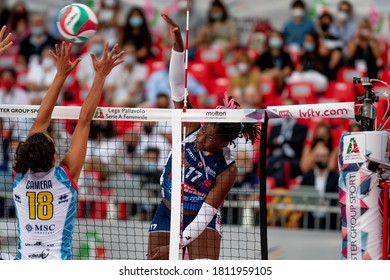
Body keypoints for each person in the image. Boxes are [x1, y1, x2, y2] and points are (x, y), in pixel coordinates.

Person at [147, 13, 261, 260]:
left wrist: (177, 245)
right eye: (205, 130)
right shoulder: (191, 128)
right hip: (167, 210)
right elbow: (177, 87)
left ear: (223, 143)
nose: (203, 138)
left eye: (209, 138)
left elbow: (206, 214)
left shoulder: (227, 169)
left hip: (201, 218)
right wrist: (178, 48)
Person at [12, 40, 124, 260]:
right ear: (55, 157)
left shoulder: (19, 177)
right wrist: (100, 75)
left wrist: (60, 74)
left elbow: (42, 120)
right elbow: (84, 121)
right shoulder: (65, 176)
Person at [299, 140, 339, 229]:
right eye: (318, 156)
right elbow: (302, 194)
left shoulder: (335, 177)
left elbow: (337, 195)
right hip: (309, 221)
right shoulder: (307, 176)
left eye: (323, 156)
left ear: (328, 157)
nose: (321, 159)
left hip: (330, 222)